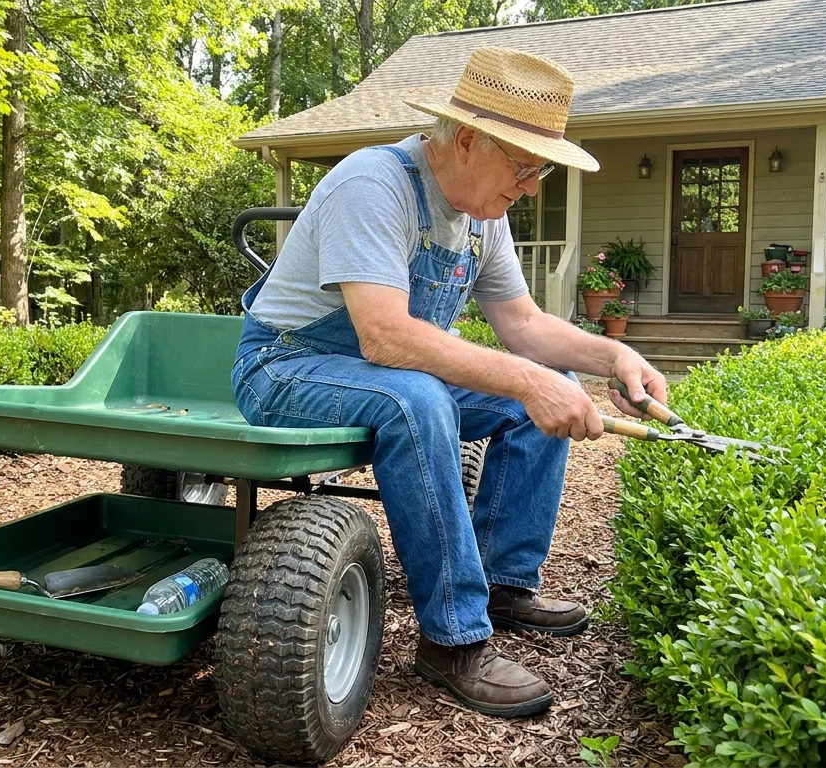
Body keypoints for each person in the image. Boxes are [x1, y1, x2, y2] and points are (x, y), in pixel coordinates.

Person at [229, 47, 668, 718]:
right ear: (466, 141)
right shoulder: (372, 184)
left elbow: (522, 324)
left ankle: (501, 583)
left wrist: (613, 359)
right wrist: (525, 380)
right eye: (523, 168)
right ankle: (453, 640)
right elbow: (386, 336)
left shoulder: (480, 218)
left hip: (376, 372)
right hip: (284, 368)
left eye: (539, 171)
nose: (530, 186)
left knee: (546, 382)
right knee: (422, 397)